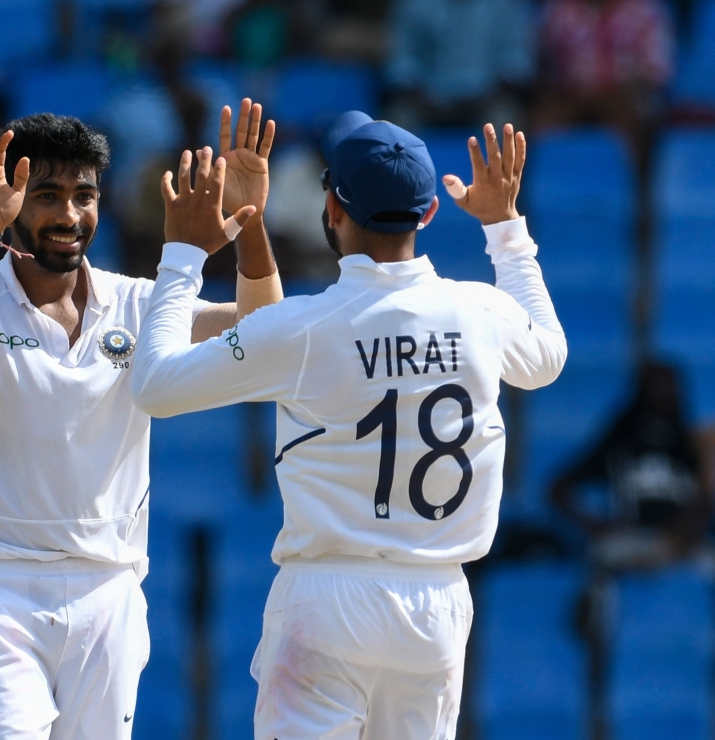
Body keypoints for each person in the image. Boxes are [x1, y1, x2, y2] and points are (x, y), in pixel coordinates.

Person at [131, 115, 567, 738]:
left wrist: (182, 254)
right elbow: (548, 357)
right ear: (429, 215)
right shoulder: (482, 310)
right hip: (436, 605)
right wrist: (505, 227)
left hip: (326, 601)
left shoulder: (307, 328)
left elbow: (155, 386)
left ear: (331, 208)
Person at [0, 101, 281, 738]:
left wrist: (251, 223)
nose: (69, 216)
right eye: (46, 195)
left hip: (109, 589)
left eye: (83, 195)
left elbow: (265, 338)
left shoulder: (139, 303)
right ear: (11, 200)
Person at [551, 361, 711, 570]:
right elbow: (557, 488)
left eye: (670, 387)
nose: (664, 393)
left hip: (684, 540)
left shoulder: (690, 443)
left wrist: (683, 532)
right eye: (656, 386)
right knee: (602, 556)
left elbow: (706, 498)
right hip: (631, 538)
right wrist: (596, 525)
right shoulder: (619, 442)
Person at [533, 0, 674, 171]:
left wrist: (612, 86)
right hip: (569, 95)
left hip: (621, 97)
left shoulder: (645, 11)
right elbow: (539, 61)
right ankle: (516, 194)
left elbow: (658, 70)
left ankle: (642, 194)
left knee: (643, 120)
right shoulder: (559, 10)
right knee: (523, 131)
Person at [386, 0, 535, 130]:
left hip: (486, 101)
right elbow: (402, 63)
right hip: (427, 101)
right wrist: (423, 100)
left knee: (507, 124)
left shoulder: (502, 6)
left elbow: (515, 63)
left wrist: (486, 100)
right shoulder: (416, 5)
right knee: (395, 127)